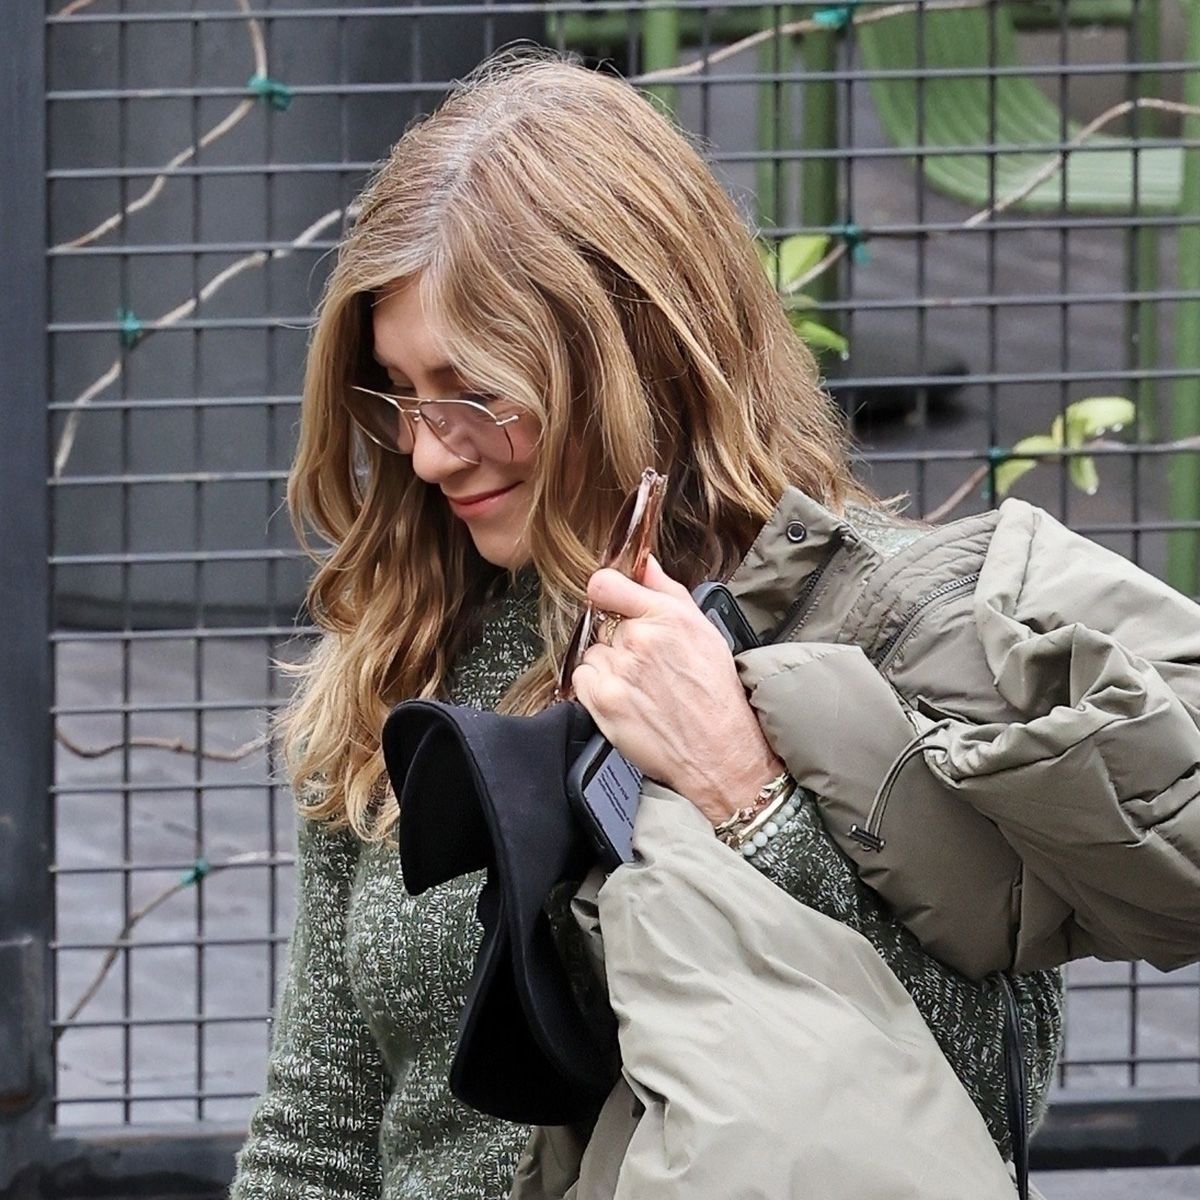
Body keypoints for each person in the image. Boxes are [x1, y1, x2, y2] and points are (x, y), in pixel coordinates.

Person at [228, 46, 1065, 1200]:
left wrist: (746, 799)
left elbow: (983, 1094)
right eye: (401, 392)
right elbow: (317, 1126)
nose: (426, 450)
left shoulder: (873, 630)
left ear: (626, 354)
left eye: (474, 390)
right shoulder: (405, 641)